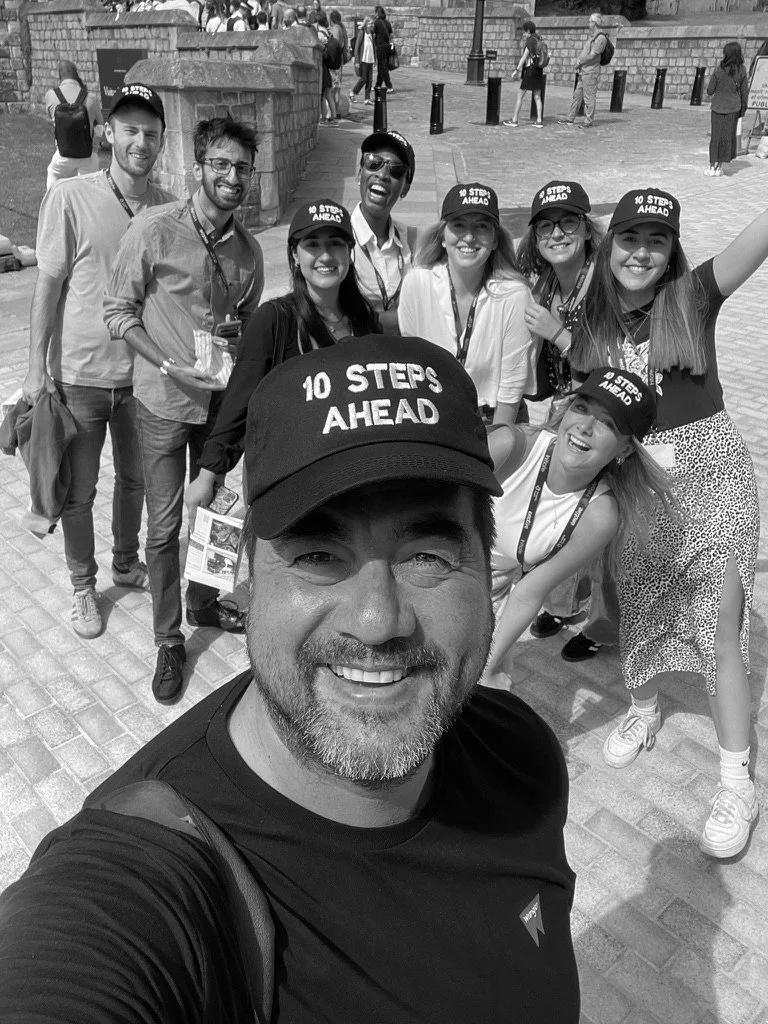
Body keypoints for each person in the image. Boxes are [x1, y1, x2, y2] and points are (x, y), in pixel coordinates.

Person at [0, 335, 581, 1024]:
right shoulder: (148, 878)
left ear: (490, 569)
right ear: (247, 576)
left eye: (425, 554)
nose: (376, 620)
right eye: (316, 552)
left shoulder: (521, 760)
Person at [570, 187, 768, 859]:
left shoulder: (693, 298)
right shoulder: (590, 326)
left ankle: (736, 779)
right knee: (645, 607)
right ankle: (644, 709)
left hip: (715, 476)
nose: (642, 252)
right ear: (610, 245)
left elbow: (756, 240)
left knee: (722, 623)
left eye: (657, 240)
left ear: (671, 249)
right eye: (630, 237)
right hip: (644, 486)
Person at [103, 116, 264, 704]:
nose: (231, 176)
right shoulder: (154, 228)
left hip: (218, 414)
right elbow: (119, 313)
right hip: (165, 403)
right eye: (220, 164)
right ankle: (169, 640)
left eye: (241, 167)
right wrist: (169, 364)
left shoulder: (248, 253)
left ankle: (202, 600)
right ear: (199, 166)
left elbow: (246, 334)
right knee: (166, 525)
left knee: (218, 518)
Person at [23, 83, 174, 640]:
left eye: (151, 133)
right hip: (80, 375)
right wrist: (34, 369)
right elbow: (47, 284)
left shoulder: (167, 207)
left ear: (162, 141)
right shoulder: (69, 196)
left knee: (135, 481)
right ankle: (83, 587)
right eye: (130, 129)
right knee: (78, 493)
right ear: (109, 133)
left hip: (142, 378)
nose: (141, 141)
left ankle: (126, 561)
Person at [184, 199, 380, 550]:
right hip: (286, 484)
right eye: (313, 244)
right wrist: (208, 473)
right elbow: (239, 404)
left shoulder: (366, 322)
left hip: (350, 484)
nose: (325, 255)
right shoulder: (274, 320)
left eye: (336, 243)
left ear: (350, 253)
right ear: (294, 255)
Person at [484, 367, 671, 687]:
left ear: (625, 449)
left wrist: (486, 666)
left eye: (608, 423)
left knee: (489, 690)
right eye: (582, 408)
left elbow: (529, 593)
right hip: (434, 568)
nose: (585, 426)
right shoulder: (511, 445)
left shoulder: (599, 515)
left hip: (495, 592)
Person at [516, 180, 612, 662]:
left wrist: (560, 335)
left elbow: (619, 364)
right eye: (546, 225)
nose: (557, 233)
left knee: (606, 520)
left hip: (608, 416)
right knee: (561, 510)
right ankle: (564, 601)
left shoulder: (607, 283)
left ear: (587, 229)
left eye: (568, 221)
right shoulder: (548, 283)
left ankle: (606, 625)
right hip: (566, 408)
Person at [398, 182, 537, 426]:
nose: (469, 236)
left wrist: (492, 454)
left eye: (481, 227)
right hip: (433, 414)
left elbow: (511, 392)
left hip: (494, 420)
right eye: (458, 225)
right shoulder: (416, 283)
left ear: (495, 240)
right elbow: (412, 365)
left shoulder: (515, 295)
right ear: (443, 236)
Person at [351, 130, 416, 333]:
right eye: (373, 162)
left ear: (405, 188)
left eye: (396, 169)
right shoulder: (338, 239)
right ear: (359, 172)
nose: (383, 174)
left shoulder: (415, 243)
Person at [44, 60, 103, 191]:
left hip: (63, 154)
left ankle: (52, 204)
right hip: (88, 155)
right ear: (77, 75)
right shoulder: (91, 98)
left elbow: (50, 123)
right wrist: (95, 148)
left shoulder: (50, 95)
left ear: (59, 76)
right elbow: (100, 127)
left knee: (53, 173)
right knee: (89, 192)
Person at [706, 42, 749, 176]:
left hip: (718, 107)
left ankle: (712, 166)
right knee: (727, 137)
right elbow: (744, 93)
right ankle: (720, 166)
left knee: (715, 137)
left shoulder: (719, 70)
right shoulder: (742, 70)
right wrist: (743, 110)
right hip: (733, 108)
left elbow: (710, 90)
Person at [558, 12, 607, 129]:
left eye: (590, 21)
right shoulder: (592, 37)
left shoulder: (600, 38)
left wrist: (580, 62)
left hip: (590, 72)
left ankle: (588, 120)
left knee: (589, 97)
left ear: (594, 23)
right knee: (577, 96)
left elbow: (592, 55)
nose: (588, 23)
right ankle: (570, 118)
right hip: (583, 71)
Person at [502, 20, 544, 129]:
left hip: (530, 71)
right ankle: (539, 121)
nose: (524, 34)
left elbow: (524, 57)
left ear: (528, 31)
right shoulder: (539, 38)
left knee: (520, 95)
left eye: (525, 31)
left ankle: (514, 119)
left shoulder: (530, 41)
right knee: (537, 96)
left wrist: (516, 69)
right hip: (539, 70)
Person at [316, 12, 339, 124]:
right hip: (329, 68)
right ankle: (334, 117)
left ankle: (324, 117)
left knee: (322, 94)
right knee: (328, 94)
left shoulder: (319, 34)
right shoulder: (328, 32)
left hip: (323, 68)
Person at [349, 16, 375, 105]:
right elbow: (357, 47)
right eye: (370, 23)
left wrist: (375, 59)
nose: (372, 25)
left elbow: (373, 47)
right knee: (363, 78)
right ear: (366, 24)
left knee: (370, 80)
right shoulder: (362, 33)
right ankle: (353, 92)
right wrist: (356, 60)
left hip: (370, 59)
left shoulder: (371, 33)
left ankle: (367, 98)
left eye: (372, 23)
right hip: (363, 59)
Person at [328, 9, 349, 113]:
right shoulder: (341, 28)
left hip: (335, 61)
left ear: (331, 19)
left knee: (333, 88)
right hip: (339, 60)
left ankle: (334, 113)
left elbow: (335, 46)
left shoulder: (336, 29)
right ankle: (335, 112)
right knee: (337, 88)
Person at [373, 4, 393, 93]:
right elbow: (391, 34)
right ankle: (378, 85)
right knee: (381, 66)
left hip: (380, 46)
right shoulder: (387, 23)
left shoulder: (377, 22)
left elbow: (373, 33)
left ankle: (389, 86)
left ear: (377, 13)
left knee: (383, 67)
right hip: (387, 46)